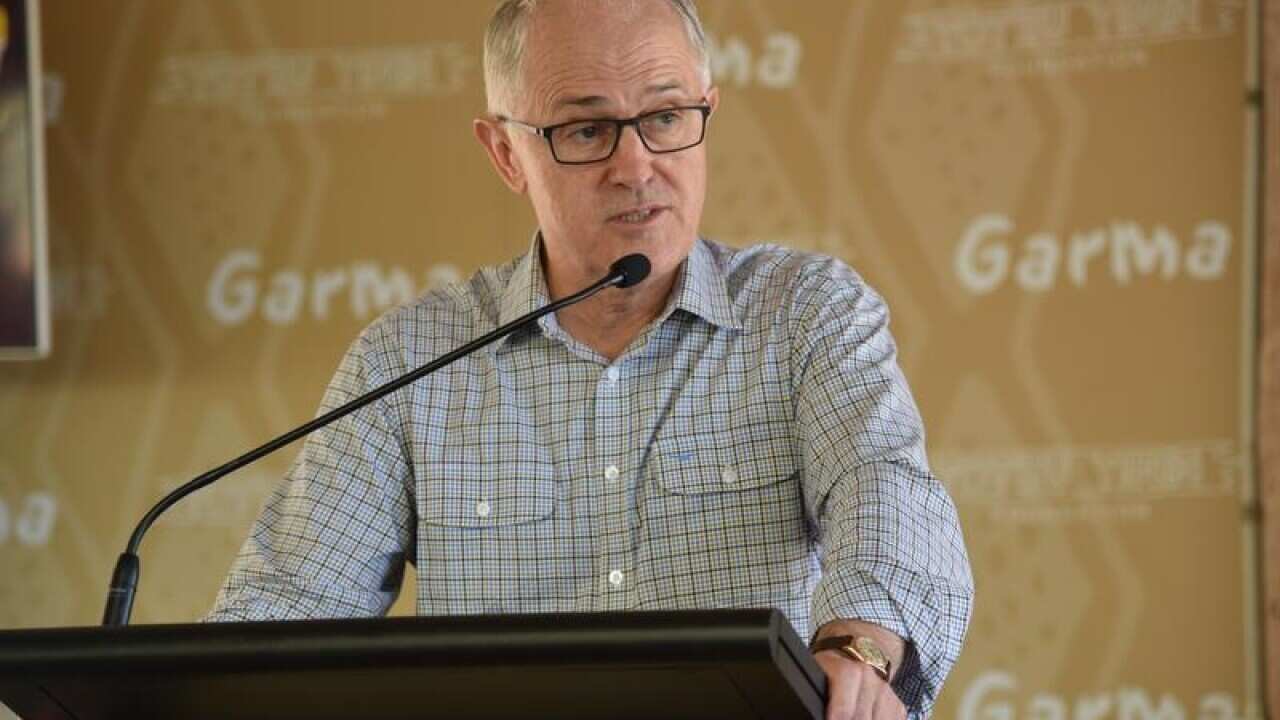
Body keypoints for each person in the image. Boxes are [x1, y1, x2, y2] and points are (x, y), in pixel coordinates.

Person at [207, 1, 974, 717]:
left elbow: (884, 488)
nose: (637, 167)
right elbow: (286, 610)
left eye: (666, 117)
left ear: (708, 111)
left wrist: (861, 648)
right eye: (585, 133)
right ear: (507, 153)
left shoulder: (807, 313)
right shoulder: (410, 361)